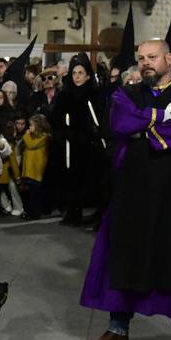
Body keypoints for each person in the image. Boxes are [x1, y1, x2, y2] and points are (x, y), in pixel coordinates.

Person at [80, 39, 171, 340]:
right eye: (141, 59)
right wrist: (157, 116)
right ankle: (118, 329)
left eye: (152, 57)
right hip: (134, 190)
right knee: (126, 254)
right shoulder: (129, 93)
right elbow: (120, 122)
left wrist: (145, 126)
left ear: (169, 58)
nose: (146, 63)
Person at [51, 53, 108, 227]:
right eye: (74, 73)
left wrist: (95, 132)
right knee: (70, 179)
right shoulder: (64, 95)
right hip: (69, 144)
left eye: (81, 73)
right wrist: (62, 132)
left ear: (88, 75)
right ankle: (72, 211)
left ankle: (95, 214)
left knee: (90, 179)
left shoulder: (95, 94)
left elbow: (98, 118)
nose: (77, 77)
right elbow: (55, 117)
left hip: (89, 144)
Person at [20, 113, 51, 220]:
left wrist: (26, 135)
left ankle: (35, 213)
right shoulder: (32, 136)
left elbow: (31, 145)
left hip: (36, 169)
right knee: (29, 193)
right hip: (29, 169)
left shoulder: (44, 137)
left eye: (31, 125)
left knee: (35, 193)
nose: (29, 127)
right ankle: (29, 211)